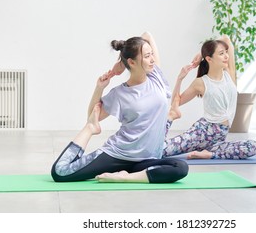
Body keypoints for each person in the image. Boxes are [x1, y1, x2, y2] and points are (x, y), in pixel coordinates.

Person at [51, 32, 188, 183]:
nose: (153, 59)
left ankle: (126, 177)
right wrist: (99, 88)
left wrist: (122, 63)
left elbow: (147, 35)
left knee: (180, 167)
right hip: (118, 155)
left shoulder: (156, 77)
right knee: (60, 172)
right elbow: (92, 116)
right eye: (147, 56)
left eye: (151, 54)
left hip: (147, 160)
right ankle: (90, 132)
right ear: (132, 62)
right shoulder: (120, 94)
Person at [163, 35, 256, 160]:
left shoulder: (229, 74)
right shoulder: (201, 82)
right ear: (209, 59)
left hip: (218, 140)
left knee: (253, 147)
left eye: (226, 52)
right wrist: (180, 78)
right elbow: (176, 102)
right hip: (201, 132)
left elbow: (226, 38)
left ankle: (210, 154)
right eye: (221, 53)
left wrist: (200, 53)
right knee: (160, 151)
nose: (226, 56)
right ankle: (162, 128)